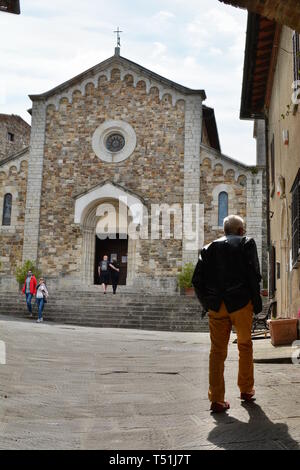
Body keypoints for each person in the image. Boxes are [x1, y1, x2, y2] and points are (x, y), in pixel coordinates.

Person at [192, 215, 262, 414]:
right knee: (245, 345)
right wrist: (255, 303)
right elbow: (254, 275)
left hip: (216, 306)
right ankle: (246, 390)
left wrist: (207, 303)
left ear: (225, 231)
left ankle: (216, 398)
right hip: (241, 304)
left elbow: (197, 281)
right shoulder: (246, 243)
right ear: (240, 231)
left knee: (217, 352)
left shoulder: (207, 248)